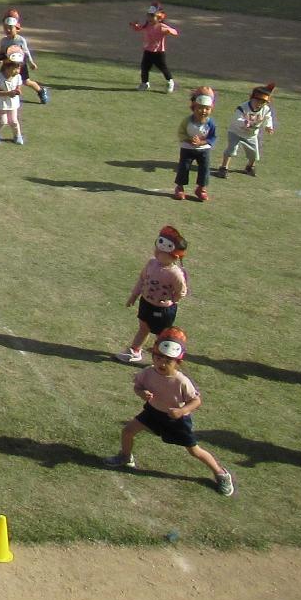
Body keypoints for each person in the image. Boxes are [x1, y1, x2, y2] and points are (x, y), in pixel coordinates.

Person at [105, 329, 235, 497]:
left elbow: (196, 401)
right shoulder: (148, 372)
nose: (162, 363)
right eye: (158, 358)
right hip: (153, 413)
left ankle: (221, 474)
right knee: (128, 431)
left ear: (178, 362)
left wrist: (182, 411)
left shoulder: (182, 381)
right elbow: (138, 386)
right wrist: (142, 393)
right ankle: (125, 456)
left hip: (176, 421)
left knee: (194, 451)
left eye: (168, 360)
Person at [119, 226, 189, 364]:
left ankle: (164, 358)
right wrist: (134, 295)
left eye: (162, 252)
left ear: (174, 256)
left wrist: (171, 301)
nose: (157, 252)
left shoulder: (175, 274)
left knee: (162, 334)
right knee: (143, 328)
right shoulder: (151, 263)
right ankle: (135, 350)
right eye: (157, 248)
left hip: (163, 310)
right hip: (146, 303)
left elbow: (181, 291)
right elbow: (142, 279)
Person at [216, 84, 277, 179]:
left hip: (251, 135)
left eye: (263, 102)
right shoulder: (243, 108)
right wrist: (244, 122)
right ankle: (224, 168)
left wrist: (268, 126)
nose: (259, 103)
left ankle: (250, 167)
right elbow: (236, 119)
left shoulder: (265, 109)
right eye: (257, 100)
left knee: (254, 153)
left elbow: (268, 118)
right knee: (231, 150)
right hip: (236, 132)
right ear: (251, 98)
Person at [173, 87, 217, 202]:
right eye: (200, 108)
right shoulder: (187, 121)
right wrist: (189, 140)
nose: (203, 111)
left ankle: (201, 189)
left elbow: (212, 137)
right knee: (184, 167)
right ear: (194, 107)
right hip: (187, 149)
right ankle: (179, 187)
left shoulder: (211, 123)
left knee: (205, 168)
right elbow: (181, 133)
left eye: (207, 109)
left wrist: (201, 142)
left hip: (204, 150)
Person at [0, 10, 49, 104]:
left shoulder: (20, 40)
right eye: (5, 28)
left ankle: (41, 91)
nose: (8, 30)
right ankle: (4, 95)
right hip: (7, 64)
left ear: (17, 28)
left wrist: (31, 63)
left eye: (10, 28)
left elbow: (26, 52)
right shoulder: (3, 41)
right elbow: (2, 52)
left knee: (26, 82)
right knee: (2, 79)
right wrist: (0, 59)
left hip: (19, 65)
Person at [132, 5, 179, 92]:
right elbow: (138, 28)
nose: (149, 18)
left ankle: (170, 82)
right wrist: (135, 26)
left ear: (159, 18)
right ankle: (145, 83)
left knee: (163, 68)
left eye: (152, 16)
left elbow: (175, 32)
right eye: (148, 16)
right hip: (147, 51)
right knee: (144, 68)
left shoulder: (161, 26)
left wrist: (170, 31)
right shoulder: (147, 26)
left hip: (159, 52)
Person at [0, 57, 26, 145]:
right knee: (3, 121)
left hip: (12, 103)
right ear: (7, 67)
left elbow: (18, 87)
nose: (17, 71)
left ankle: (18, 136)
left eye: (19, 68)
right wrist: (8, 93)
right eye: (15, 68)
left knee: (14, 121)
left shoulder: (18, 77)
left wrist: (18, 91)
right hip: (0, 103)